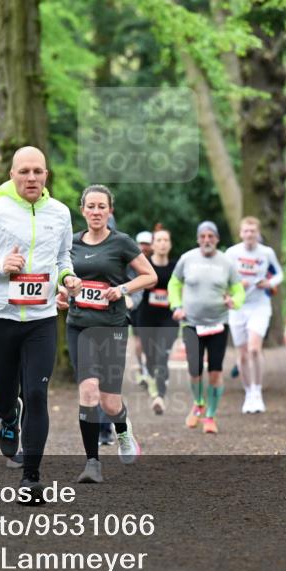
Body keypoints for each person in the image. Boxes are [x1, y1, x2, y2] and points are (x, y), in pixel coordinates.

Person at [0, 146, 81, 504]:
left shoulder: (59, 213)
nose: (31, 178)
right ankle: (7, 411)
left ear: (46, 175)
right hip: (0, 317)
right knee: (9, 394)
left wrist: (68, 278)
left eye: (37, 171)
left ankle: (31, 479)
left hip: (41, 318)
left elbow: (62, 258)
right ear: (12, 175)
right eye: (24, 171)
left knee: (38, 393)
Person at [59, 185, 156, 483]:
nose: (96, 211)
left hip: (111, 327)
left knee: (109, 402)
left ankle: (123, 432)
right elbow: (61, 278)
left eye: (102, 206)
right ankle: (92, 463)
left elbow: (149, 276)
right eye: (91, 206)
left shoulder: (122, 243)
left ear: (109, 210)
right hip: (79, 325)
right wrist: (63, 293)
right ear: (83, 209)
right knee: (87, 391)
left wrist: (122, 289)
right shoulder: (71, 244)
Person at [168, 221, 245, 434]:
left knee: (215, 372)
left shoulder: (226, 263)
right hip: (191, 323)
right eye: (203, 236)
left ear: (217, 239)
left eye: (211, 236)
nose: (207, 240)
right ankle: (199, 402)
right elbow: (174, 284)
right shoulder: (187, 259)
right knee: (195, 372)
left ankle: (210, 416)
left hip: (218, 323)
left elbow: (238, 290)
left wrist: (234, 302)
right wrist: (176, 306)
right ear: (198, 239)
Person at [225, 217, 284, 413]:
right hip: (238, 307)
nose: (249, 235)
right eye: (246, 231)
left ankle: (257, 392)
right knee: (242, 354)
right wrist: (233, 289)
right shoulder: (232, 253)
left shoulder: (266, 252)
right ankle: (248, 393)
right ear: (241, 233)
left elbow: (279, 274)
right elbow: (221, 277)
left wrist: (270, 283)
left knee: (254, 349)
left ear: (257, 233)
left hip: (260, 305)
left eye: (253, 231)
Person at [136, 225, 180, 415]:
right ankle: (157, 377)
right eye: (159, 240)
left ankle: (160, 397)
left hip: (169, 318)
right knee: (151, 358)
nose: (162, 244)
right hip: (146, 317)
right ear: (153, 245)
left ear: (170, 245)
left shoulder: (176, 267)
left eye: (166, 240)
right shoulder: (143, 266)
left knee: (162, 354)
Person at [130, 230, 154, 391]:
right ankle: (142, 367)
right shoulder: (131, 260)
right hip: (136, 304)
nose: (144, 247)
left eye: (147, 244)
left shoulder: (156, 260)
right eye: (142, 243)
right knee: (139, 339)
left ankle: (151, 368)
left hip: (152, 305)